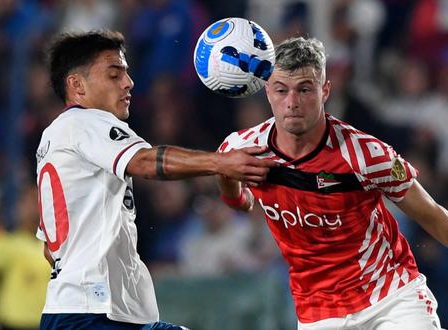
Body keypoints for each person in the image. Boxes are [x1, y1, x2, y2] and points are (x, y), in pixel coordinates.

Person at [216, 37, 448, 330]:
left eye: (304, 89)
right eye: (281, 90)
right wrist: (236, 196)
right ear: (267, 93)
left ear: (325, 91)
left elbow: (430, 212)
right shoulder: (241, 148)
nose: (292, 102)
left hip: (391, 296)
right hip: (318, 312)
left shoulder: (366, 153)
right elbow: (231, 184)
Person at [35, 30, 276, 330]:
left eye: (126, 73)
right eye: (114, 74)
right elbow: (146, 162)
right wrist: (220, 162)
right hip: (91, 314)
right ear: (76, 85)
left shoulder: (56, 138)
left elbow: (50, 249)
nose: (128, 83)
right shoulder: (86, 122)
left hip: (88, 310)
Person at [0, 184, 50, 330]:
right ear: (18, 207)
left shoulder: (53, 247)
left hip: (44, 325)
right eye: (29, 201)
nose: (34, 207)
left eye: (39, 201)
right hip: (10, 325)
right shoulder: (3, 243)